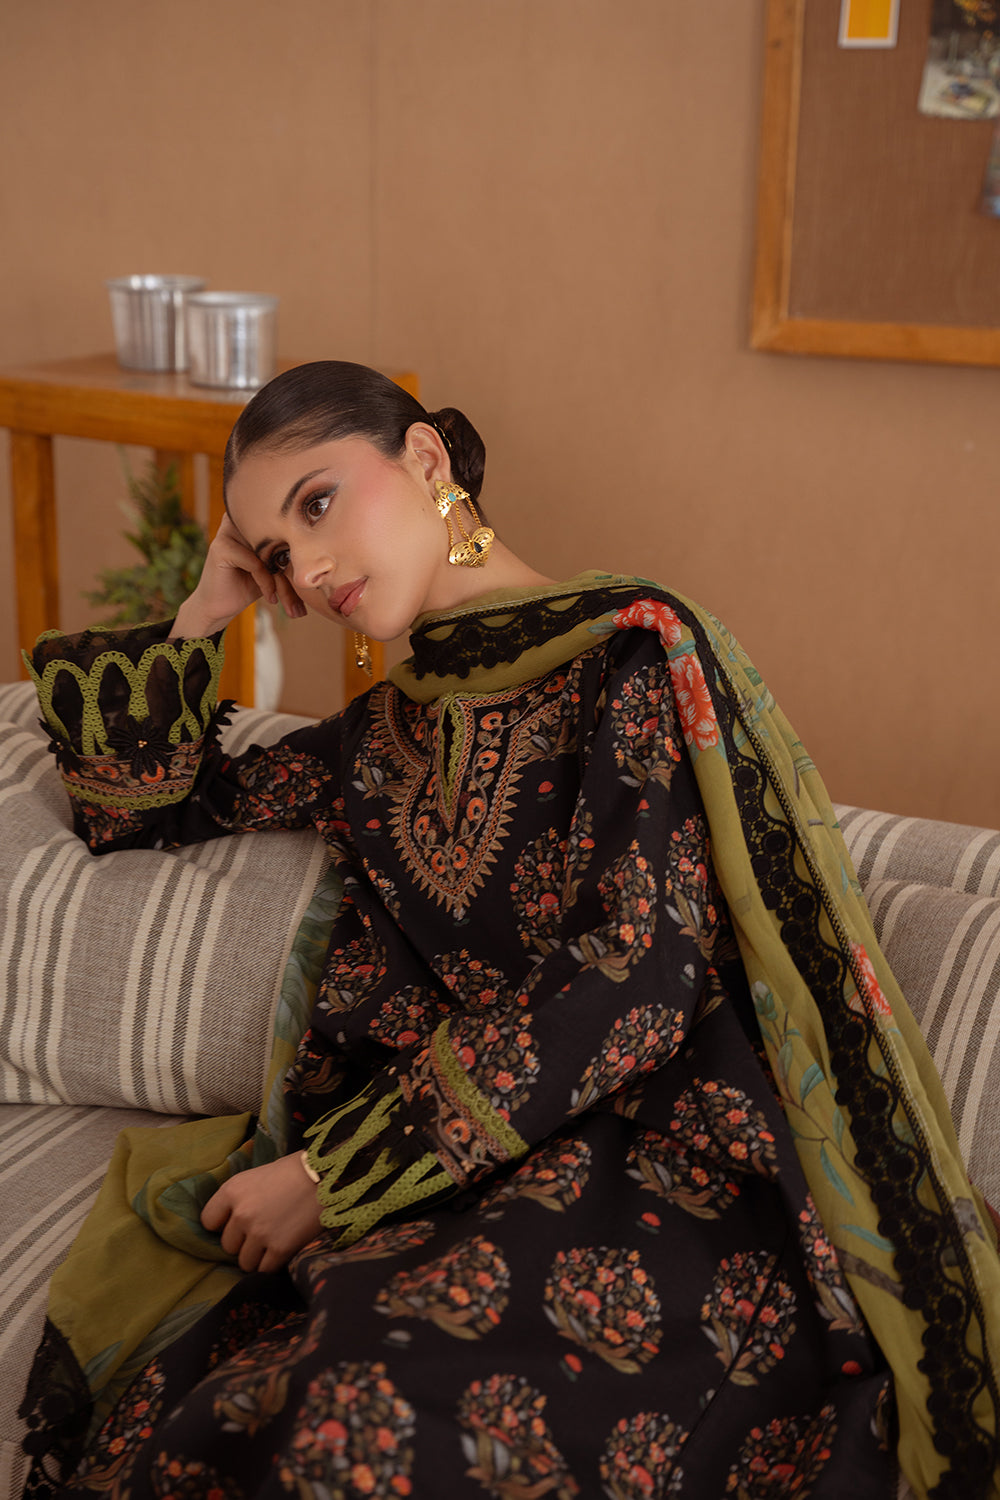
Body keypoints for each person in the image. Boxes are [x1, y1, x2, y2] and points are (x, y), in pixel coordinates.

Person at [18, 362, 1000, 1500]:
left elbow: (637, 980)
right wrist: (203, 610)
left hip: (673, 1159)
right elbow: (141, 813)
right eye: (277, 552)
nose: (309, 568)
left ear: (426, 458)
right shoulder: (376, 741)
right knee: (251, 1413)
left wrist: (333, 1174)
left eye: (318, 503)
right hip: (468, 1180)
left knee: (358, 1418)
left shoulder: (630, 653)